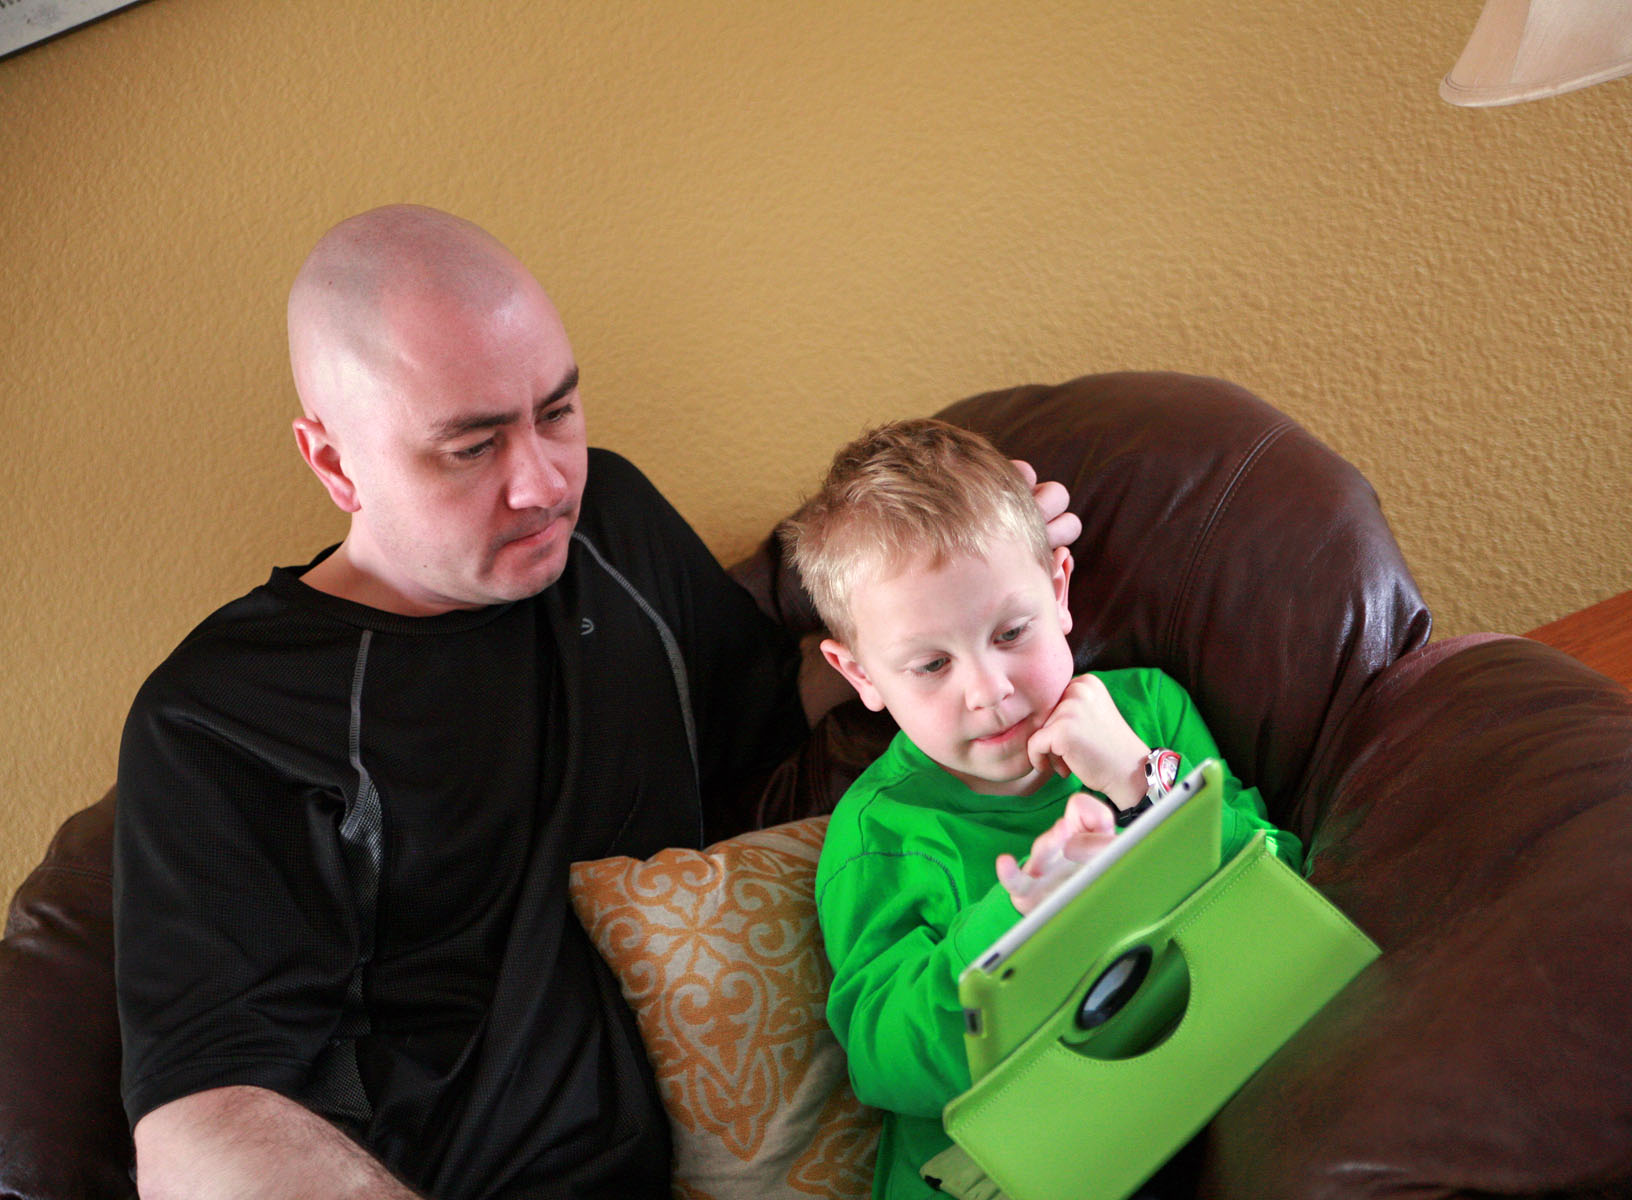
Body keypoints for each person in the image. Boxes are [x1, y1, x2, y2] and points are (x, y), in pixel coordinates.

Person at [112, 203, 1080, 1199]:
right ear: (333, 462)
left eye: (558, 412)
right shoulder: (225, 715)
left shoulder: (610, 525)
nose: (543, 484)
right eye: (472, 447)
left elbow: (772, 705)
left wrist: (975, 591)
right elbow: (201, 1119)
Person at [780, 419, 1300, 1200]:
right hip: (1005, 1172)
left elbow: (1282, 890)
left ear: (1058, 591)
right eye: (931, 664)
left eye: (1011, 632)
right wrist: (1018, 929)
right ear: (861, 676)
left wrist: (1141, 781)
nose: (989, 690)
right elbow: (886, 1062)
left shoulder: (1144, 714)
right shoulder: (880, 833)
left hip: (1188, 1097)